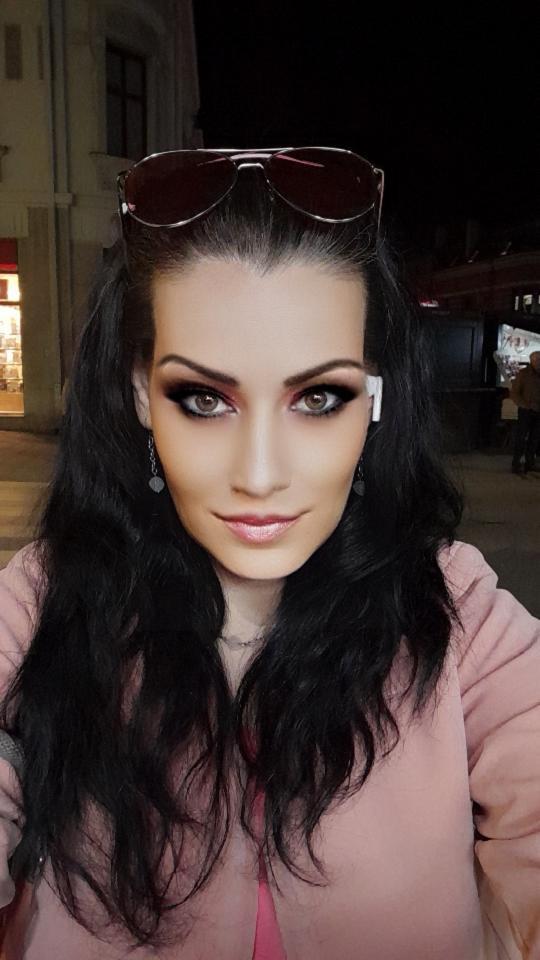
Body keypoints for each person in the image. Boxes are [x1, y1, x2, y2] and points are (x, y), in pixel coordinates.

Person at [0, 147, 538, 960]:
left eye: (318, 398)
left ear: (374, 397)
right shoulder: (45, 603)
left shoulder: (456, 613)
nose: (258, 475)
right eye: (203, 398)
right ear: (142, 391)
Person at [510, 349, 540, 474]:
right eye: (537, 360)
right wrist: (524, 405)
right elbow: (514, 393)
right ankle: (516, 463)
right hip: (526, 411)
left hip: (538, 411)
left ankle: (530, 463)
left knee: (535, 438)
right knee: (521, 437)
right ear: (532, 360)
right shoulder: (523, 374)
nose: (539, 362)